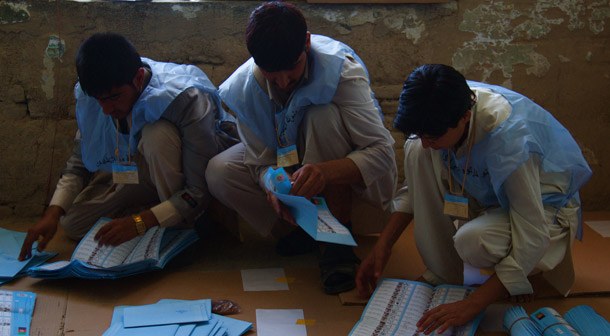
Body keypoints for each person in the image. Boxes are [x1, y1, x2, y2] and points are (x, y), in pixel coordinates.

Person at [356, 64, 592, 334]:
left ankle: (517, 276)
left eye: (432, 136)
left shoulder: (508, 139)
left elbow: (533, 228)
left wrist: (475, 303)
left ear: (466, 117)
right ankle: (446, 273)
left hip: (545, 209)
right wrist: (382, 247)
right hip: (492, 203)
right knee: (417, 153)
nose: (425, 142)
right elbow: (414, 191)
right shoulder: (441, 106)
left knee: (473, 241)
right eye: (420, 134)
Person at [206, 1, 397, 294]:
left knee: (322, 116)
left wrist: (325, 172)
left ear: (306, 43)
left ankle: (335, 240)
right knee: (219, 171)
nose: (283, 82)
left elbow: (382, 152)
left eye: (292, 67)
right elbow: (259, 161)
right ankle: (306, 231)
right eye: (271, 72)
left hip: (351, 190)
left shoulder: (339, 70)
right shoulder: (241, 89)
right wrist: (271, 183)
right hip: (294, 175)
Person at [19, 32, 238, 260]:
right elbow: (79, 163)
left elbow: (197, 190)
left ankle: (182, 223)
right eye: (99, 100)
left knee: (157, 135)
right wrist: (52, 214)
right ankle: (159, 212)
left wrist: (139, 223)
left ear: (138, 78)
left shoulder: (185, 98)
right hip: (140, 173)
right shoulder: (94, 96)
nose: (106, 110)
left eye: (114, 97)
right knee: (73, 223)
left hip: (185, 174)